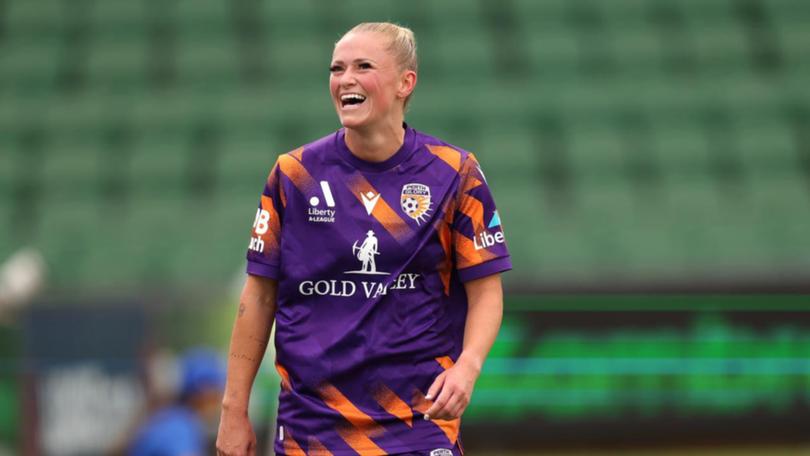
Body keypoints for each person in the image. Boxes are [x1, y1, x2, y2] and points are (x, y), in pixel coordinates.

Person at [217, 22, 511, 456]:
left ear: (404, 83)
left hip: (420, 418)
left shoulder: (455, 173)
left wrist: (468, 367)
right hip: (312, 424)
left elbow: (486, 290)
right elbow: (258, 297)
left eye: (363, 66)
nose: (345, 79)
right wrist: (232, 409)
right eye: (337, 69)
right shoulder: (293, 175)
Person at [129, 349, 226, 456]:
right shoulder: (180, 426)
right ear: (204, 393)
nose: (221, 400)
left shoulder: (174, 418)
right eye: (217, 393)